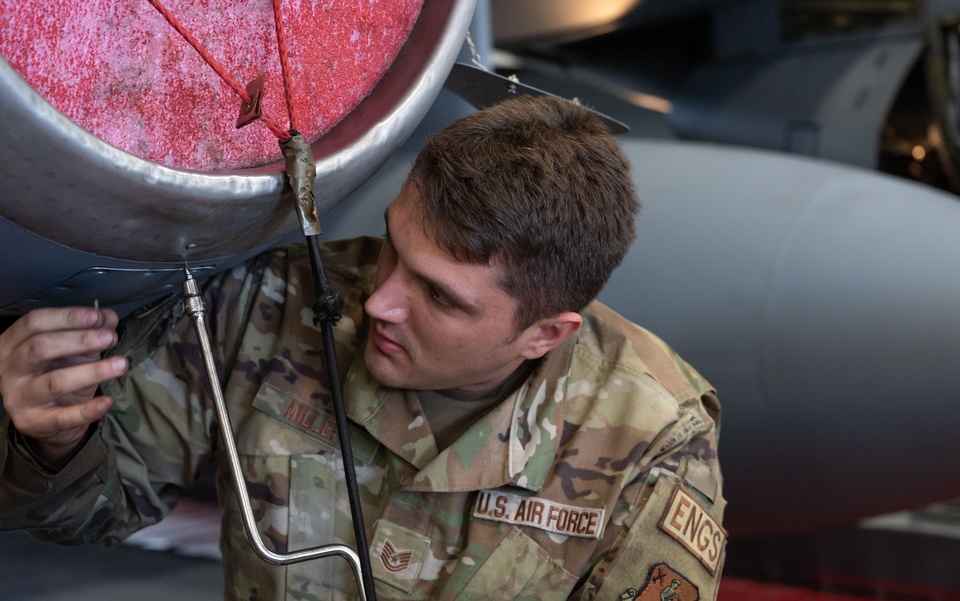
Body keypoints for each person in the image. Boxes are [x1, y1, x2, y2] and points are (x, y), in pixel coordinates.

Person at [0, 95, 726, 600]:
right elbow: (92, 515)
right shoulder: (273, 305)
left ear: (545, 333)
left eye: (440, 296)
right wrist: (52, 442)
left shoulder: (650, 437)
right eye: (393, 249)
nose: (378, 300)